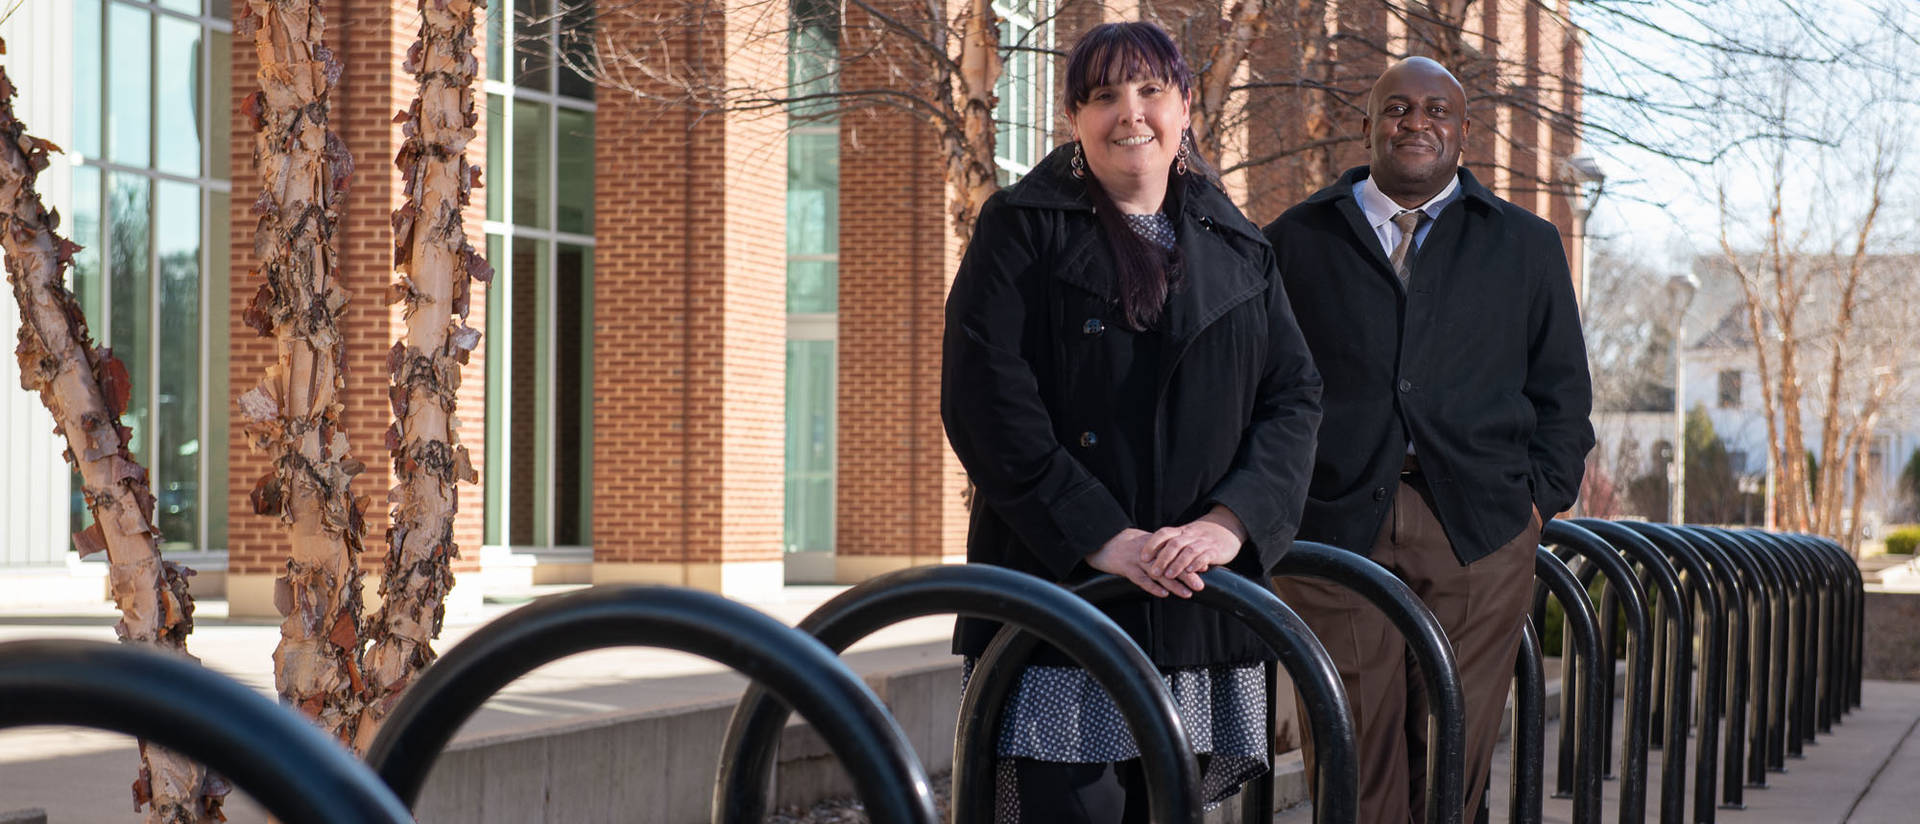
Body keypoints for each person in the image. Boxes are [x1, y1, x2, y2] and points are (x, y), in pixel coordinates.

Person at [940, 21, 1323, 824]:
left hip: (1197, 604)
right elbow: (986, 400)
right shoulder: (1021, 227)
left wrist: (1230, 524)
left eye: (1151, 90)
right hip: (1061, 595)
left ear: (1186, 107)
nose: (1131, 113)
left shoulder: (1242, 246)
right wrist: (1101, 537)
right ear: (1074, 117)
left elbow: (1293, 399)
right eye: (1105, 95)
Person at [1261, 56, 1595, 823]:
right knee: (1352, 750)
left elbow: (1563, 396)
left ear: (1464, 131)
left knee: (1454, 754)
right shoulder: (1296, 240)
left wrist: (1535, 506)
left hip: (1480, 527)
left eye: (1438, 110)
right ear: (1368, 125)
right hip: (1335, 523)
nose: (1418, 123)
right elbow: (1265, 387)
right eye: (1399, 108)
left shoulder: (1526, 243)